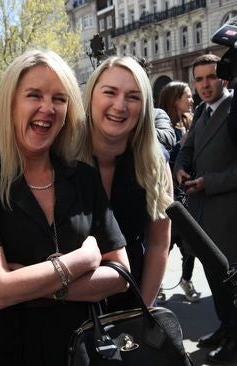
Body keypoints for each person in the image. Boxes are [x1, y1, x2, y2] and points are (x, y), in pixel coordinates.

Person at [0, 49, 129, 366]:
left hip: (86, 350)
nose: (47, 108)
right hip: (13, 351)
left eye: (59, 98)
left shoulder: (83, 177)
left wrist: (39, 285)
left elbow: (120, 274)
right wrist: (82, 260)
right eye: (34, 95)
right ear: (11, 102)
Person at [76, 56, 173, 309]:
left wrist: (144, 310)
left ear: (144, 106)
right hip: (69, 303)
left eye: (133, 96)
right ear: (91, 96)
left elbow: (158, 243)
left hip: (131, 296)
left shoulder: (154, 163)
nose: (120, 105)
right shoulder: (61, 157)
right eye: (110, 92)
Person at [174, 54, 237, 364]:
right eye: (198, 79)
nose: (204, 84)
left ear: (223, 76)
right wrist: (181, 168)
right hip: (203, 219)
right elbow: (186, 149)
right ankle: (226, 329)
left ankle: (234, 341)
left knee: (231, 286)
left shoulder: (233, 109)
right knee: (215, 282)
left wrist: (207, 182)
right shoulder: (201, 112)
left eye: (210, 77)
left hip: (228, 218)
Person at [157, 80, 201, 303]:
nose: (192, 99)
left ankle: (186, 279)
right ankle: (157, 285)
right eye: (187, 96)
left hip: (188, 195)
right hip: (167, 197)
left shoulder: (191, 123)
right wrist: (180, 146)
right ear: (175, 99)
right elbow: (162, 159)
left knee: (190, 245)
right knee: (164, 244)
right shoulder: (163, 126)